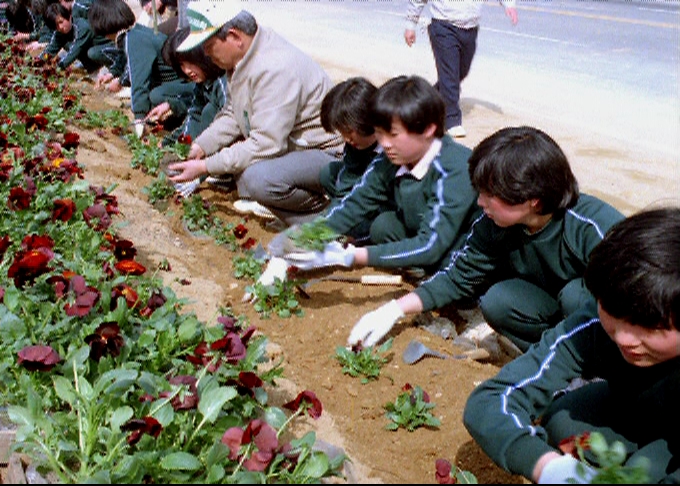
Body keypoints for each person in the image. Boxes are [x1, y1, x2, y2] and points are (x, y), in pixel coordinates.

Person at [347, 126, 625, 351]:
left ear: (534, 201)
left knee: (577, 297)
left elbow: (643, 291)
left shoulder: (592, 226)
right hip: (547, 307)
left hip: (604, 320)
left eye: (491, 196)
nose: (480, 202)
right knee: (497, 302)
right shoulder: (493, 223)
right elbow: (457, 275)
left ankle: (596, 363)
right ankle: (553, 354)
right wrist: (393, 310)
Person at [463, 206, 680, 484]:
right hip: (639, 411)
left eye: (650, 326)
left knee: (639, 476)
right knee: (562, 423)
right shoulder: (596, 325)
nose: (624, 338)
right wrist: (548, 467)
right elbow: (492, 399)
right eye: (611, 310)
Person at [269, 75, 480, 278]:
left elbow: (431, 245)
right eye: (379, 133)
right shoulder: (393, 158)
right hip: (429, 232)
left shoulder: (455, 169)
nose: (385, 143)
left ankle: (444, 284)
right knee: (384, 227)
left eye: (393, 134)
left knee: (454, 268)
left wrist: (351, 256)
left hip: (466, 246)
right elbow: (355, 202)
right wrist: (301, 240)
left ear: (427, 129)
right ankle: (421, 269)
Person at [167, 1, 343, 226]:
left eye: (209, 46)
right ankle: (297, 216)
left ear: (234, 37)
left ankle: (323, 220)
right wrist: (200, 147)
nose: (206, 54)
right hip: (296, 145)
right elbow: (233, 113)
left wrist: (204, 167)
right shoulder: (245, 57)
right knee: (244, 176)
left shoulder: (274, 68)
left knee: (256, 179)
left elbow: (266, 144)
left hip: (326, 153)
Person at [404, 0, 518, 139]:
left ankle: (427, 99)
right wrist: (410, 25)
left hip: (471, 28)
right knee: (450, 76)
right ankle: (451, 120)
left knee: (460, 72)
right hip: (443, 26)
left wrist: (509, 4)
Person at [88, 0, 195, 136]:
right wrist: (114, 75)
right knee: (153, 95)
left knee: (156, 95)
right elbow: (127, 63)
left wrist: (139, 117)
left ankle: (180, 118)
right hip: (175, 83)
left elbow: (139, 80)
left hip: (184, 85)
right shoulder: (133, 33)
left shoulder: (134, 40)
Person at [317, 76, 383, 243]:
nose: (346, 138)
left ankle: (365, 234)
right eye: (342, 132)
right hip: (364, 194)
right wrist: (321, 226)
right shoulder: (355, 146)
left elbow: (368, 197)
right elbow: (346, 189)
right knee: (329, 173)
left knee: (382, 225)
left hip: (387, 205)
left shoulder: (393, 152)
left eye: (349, 131)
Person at [152, 26, 227, 149]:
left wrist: (202, 147)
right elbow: (194, 115)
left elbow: (231, 123)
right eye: (182, 64)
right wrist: (169, 143)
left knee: (209, 110)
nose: (187, 70)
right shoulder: (202, 84)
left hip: (234, 148)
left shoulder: (222, 81)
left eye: (190, 62)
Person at [39, 1, 111, 74]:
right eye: (56, 26)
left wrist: (56, 68)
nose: (60, 27)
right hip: (91, 52)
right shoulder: (59, 33)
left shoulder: (82, 28)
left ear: (69, 16)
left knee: (92, 52)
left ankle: (108, 68)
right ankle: (91, 67)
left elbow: (74, 52)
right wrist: (39, 60)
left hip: (107, 48)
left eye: (61, 22)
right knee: (68, 46)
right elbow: (50, 50)